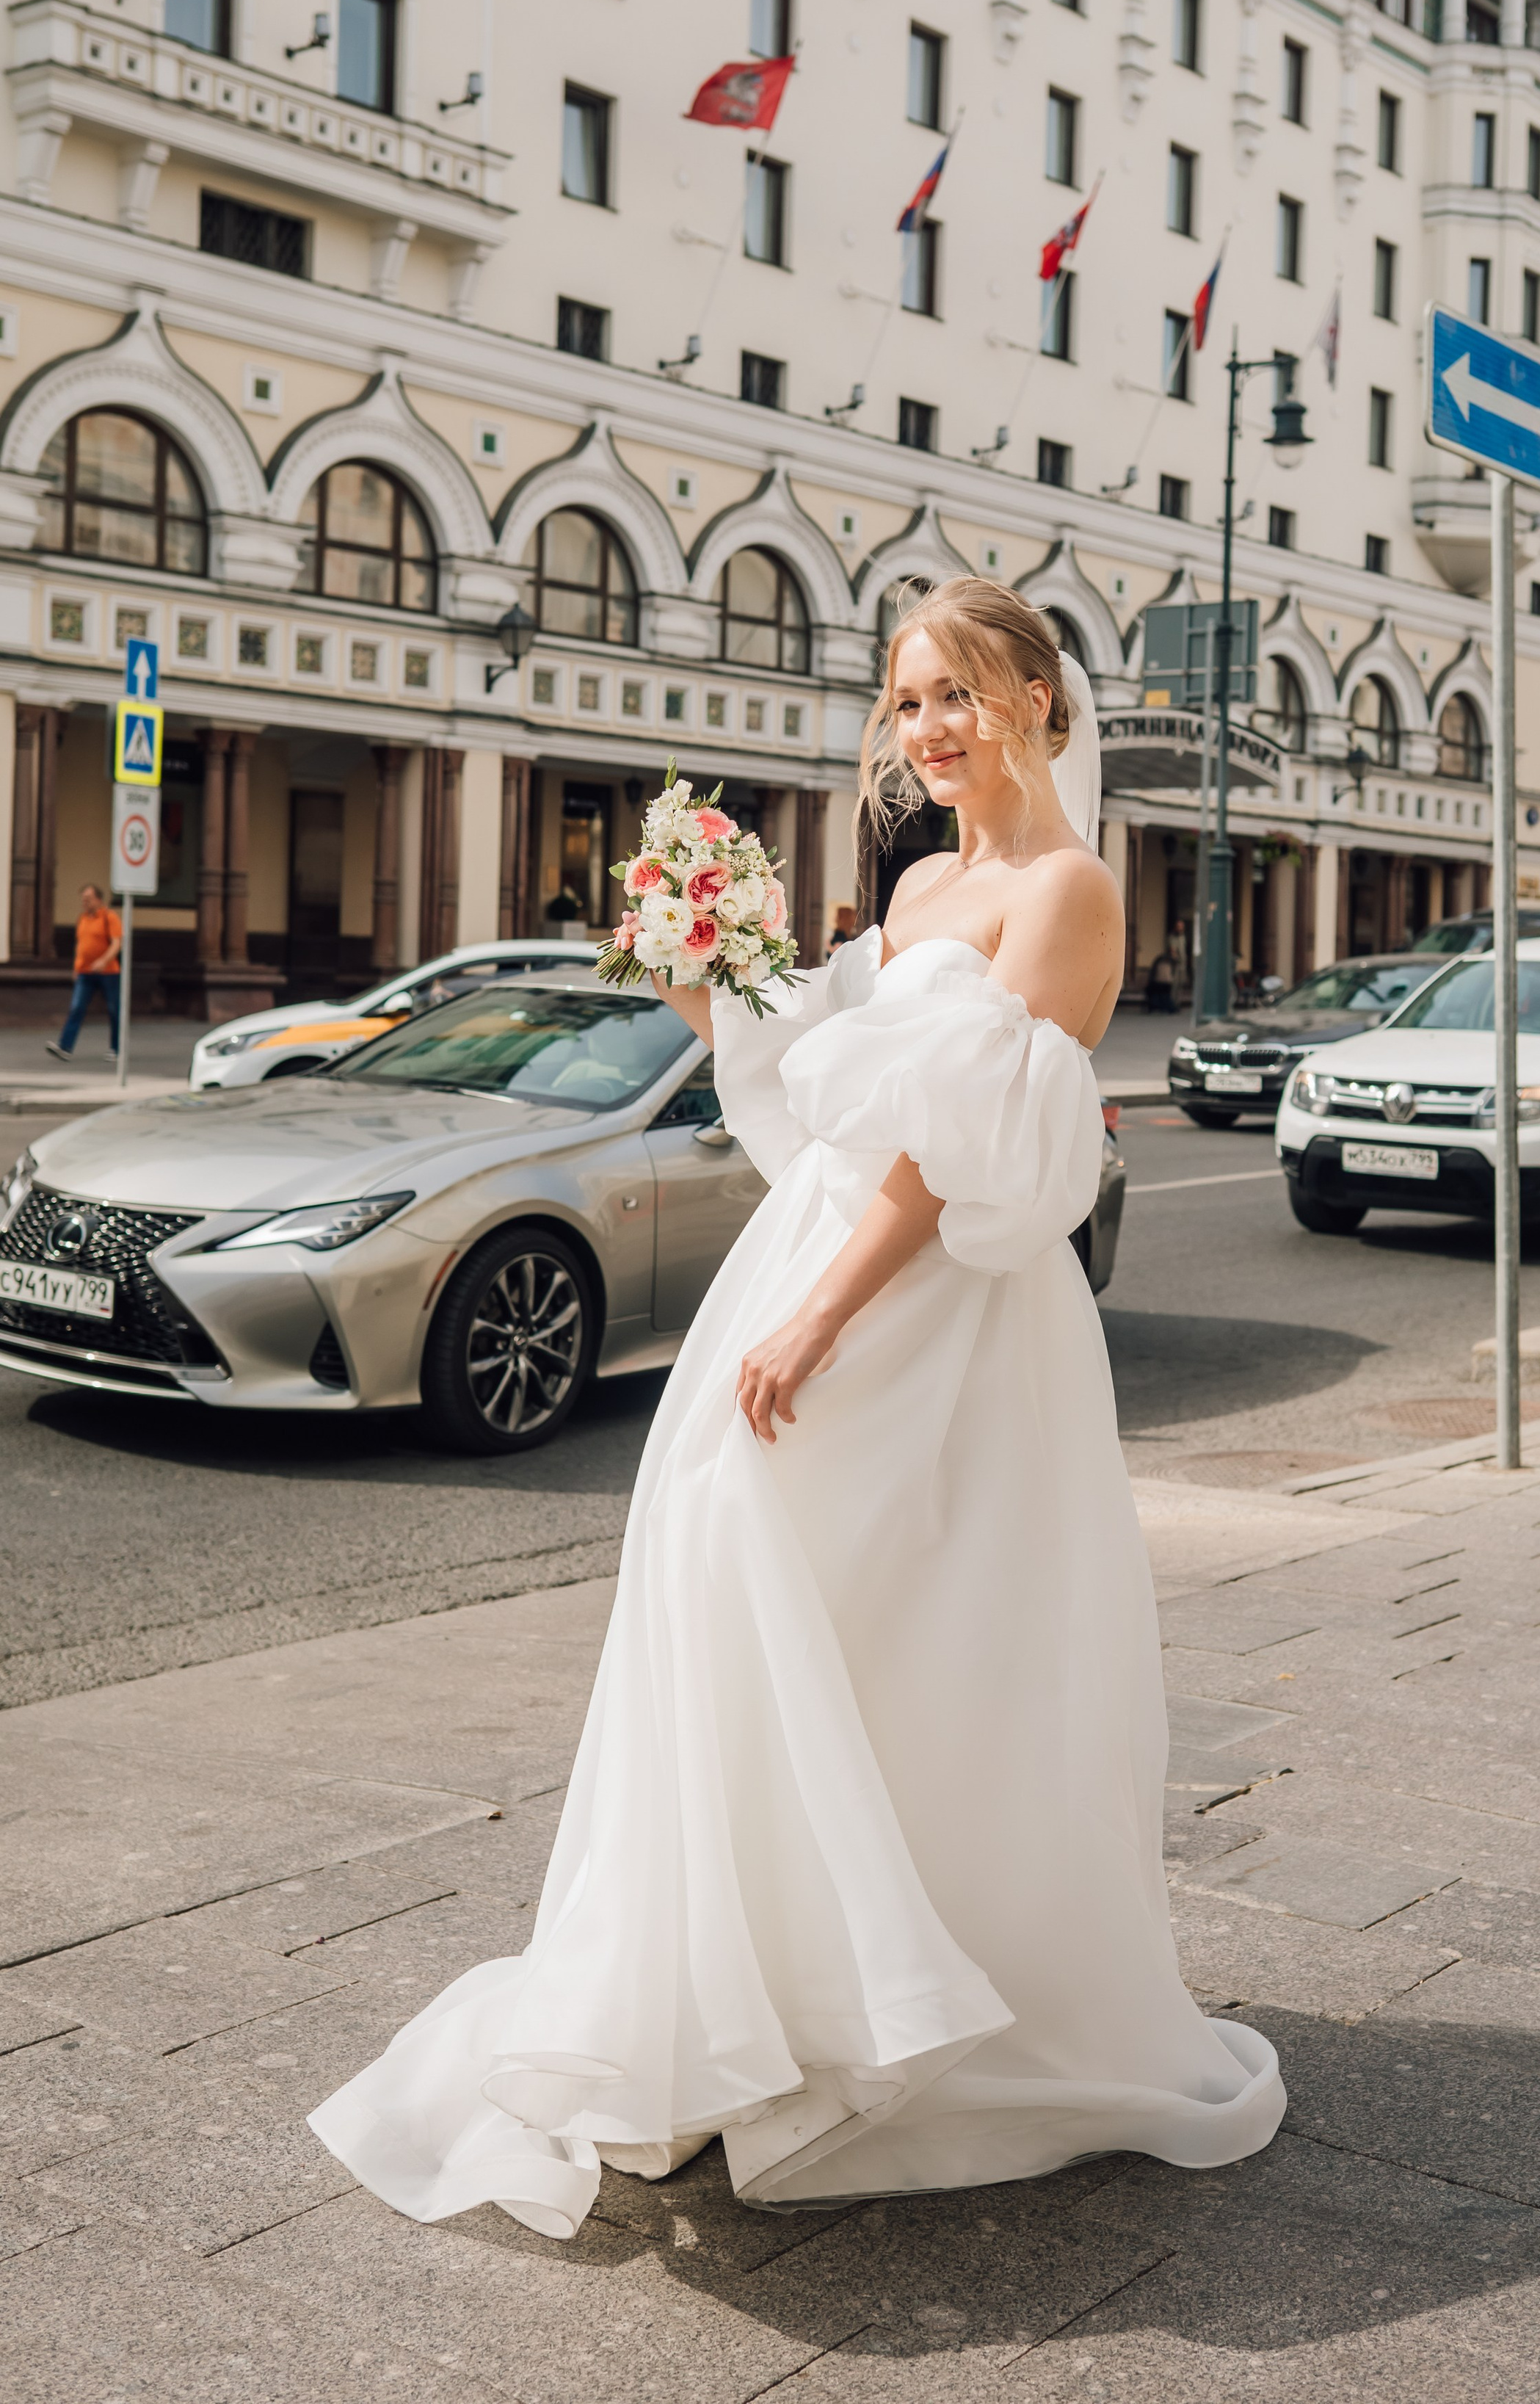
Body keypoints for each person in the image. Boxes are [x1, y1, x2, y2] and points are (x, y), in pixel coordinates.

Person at [308, 577, 1285, 2234]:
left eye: (960, 692)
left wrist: (821, 1316)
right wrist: (696, 962)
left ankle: (882, 2004)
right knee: (739, 1599)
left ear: (1040, 701)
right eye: (909, 700)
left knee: (880, 1619)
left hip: (930, 1307)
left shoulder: (1067, 892)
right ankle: (733, 2003)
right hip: (816, 1256)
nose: (931, 728)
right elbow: (813, 1083)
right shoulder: (918, 884)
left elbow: (958, 1152)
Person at [48, 883, 121, 1062]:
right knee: (77, 1008)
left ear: (99, 900)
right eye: (83, 899)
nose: (85, 902)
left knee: (114, 1010)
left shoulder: (109, 917)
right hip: (85, 972)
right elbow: (81, 946)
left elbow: (117, 943)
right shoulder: (82, 919)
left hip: (109, 973)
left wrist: (103, 961)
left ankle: (116, 1048)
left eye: (88, 899)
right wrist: (77, 967)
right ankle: (65, 1047)